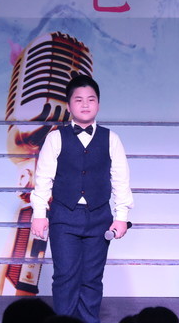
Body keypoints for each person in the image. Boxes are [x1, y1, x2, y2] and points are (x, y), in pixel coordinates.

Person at [30, 75, 134, 323]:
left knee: (92, 278)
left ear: (98, 104)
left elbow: (121, 180)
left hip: (99, 217)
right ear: (69, 105)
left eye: (91, 99)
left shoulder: (111, 138)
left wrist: (121, 217)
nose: (85, 104)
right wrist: (39, 215)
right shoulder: (56, 138)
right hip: (64, 217)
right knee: (65, 275)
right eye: (78, 100)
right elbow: (43, 179)